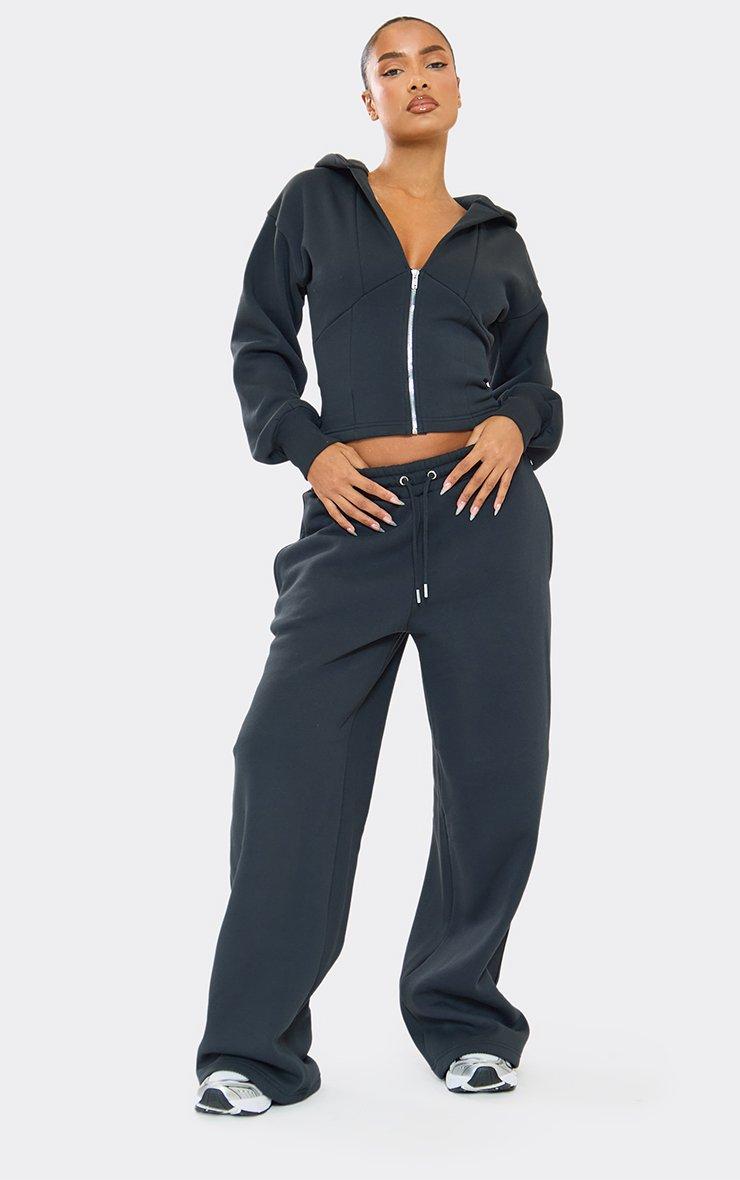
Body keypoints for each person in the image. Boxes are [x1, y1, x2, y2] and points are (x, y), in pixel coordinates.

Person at [195, 15, 563, 1116]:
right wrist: (310, 448)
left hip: (484, 518)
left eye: (433, 61)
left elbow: (533, 378)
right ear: (369, 100)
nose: (415, 79)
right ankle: (251, 1046)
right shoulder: (313, 203)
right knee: (282, 758)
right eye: (391, 68)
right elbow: (260, 345)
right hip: (351, 519)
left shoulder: (495, 237)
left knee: (494, 775)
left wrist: (512, 424)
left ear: (458, 87)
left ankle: (463, 1018)